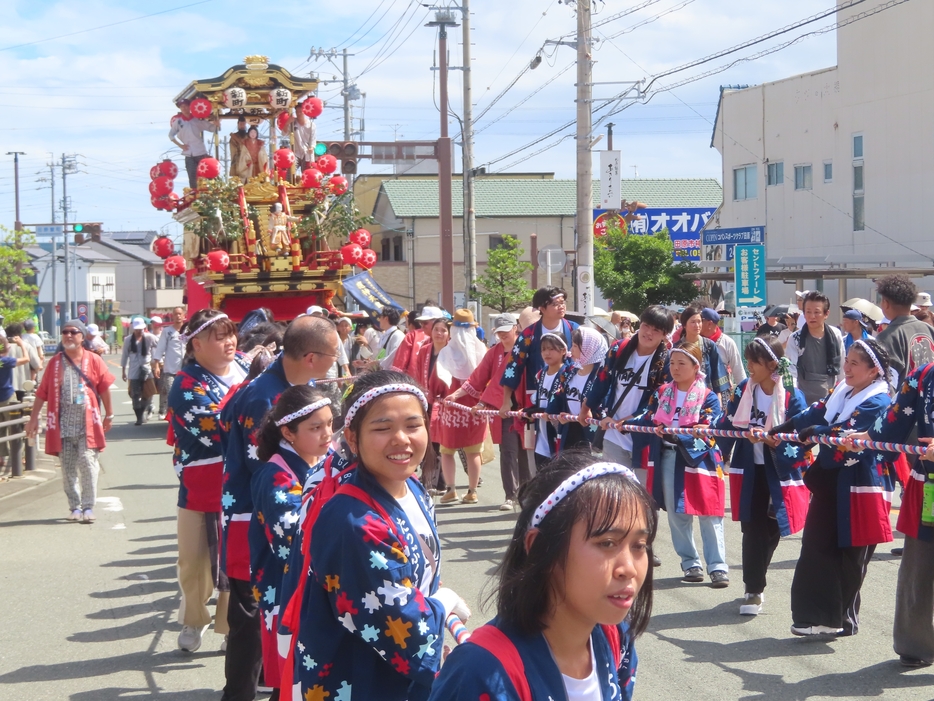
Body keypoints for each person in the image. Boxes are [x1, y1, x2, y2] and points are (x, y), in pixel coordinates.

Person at [285, 370, 470, 701]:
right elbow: (401, 628)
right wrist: (442, 605)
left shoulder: (412, 487)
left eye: (413, 425)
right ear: (353, 439)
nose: (401, 438)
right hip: (361, 680)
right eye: (383, 428)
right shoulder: (354, 522)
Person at [427, 450, 654, 701]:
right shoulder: (482, 672)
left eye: (639, 545)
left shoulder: (615, 635)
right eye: (607, 543)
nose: (630, 569)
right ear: (540, 547)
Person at [219, 315, 340, 701]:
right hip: (257, 519)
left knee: (266, 634)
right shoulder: (266, 398)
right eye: (332, 355)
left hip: (264, 518)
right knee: (251, 624)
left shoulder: (285, 387)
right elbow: (266, 475)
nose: (335, 362)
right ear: (310, 356)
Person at [769, 338, 895, 637]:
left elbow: (849, 432)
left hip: (860, 483)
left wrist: (819, 433)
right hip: (831, 479)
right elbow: (815, 414)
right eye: (846, 360)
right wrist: (781, 430)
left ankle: (840, 617)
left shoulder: (879, 400)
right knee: (817, 543)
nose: (846, 367)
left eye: (854, 363)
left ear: (873, 371)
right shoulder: (842, 391)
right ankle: (817, 617)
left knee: (851, 553)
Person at [167, 310, 248, 654]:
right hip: (202, 482)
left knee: (237, 559)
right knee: (194, 558)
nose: (229, 341)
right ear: (196, 344)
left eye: (231, 333)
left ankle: (232, 625)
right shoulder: (186, 385)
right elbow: (215, 430)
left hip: (242, 482)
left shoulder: (247, 368)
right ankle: (193, 617)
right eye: (219, 336)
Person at [715, 337, 811, 616]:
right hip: (749, 468)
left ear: (772, 365)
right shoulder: (745, 388)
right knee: (752, 528)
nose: (749, 367)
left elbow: (802, 436)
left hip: (778, 471)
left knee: (771, 529)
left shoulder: (792, 394)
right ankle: (753, 589)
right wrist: (712, 444)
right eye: (747, 361)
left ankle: (756, 576)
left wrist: (777, 442)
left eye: (753, 362)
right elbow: (726, 422)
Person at [250, 385, 333, 699]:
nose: (327, 434)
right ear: (288, 432)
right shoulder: (276, 477)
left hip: (304, 589)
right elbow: (293, 541)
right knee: (292, 683)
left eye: (329, 424)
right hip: (287, 593)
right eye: (315, 428)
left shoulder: (317, 460)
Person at [849, 362, 934, 665]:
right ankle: (915, 643)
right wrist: (866, 436)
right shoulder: (924, 375)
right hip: (930, 485)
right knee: (919, 567)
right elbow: (896, 415)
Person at [628, 340, 729, 587]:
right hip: (668, 456)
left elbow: (710, 425)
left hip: (700, 459)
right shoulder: (662, 392)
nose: (675, 368)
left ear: (696, 367)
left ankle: (717, 567)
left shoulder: (708, 396)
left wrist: (676, 433)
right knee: (676, 512)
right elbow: (647, 416)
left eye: (681, 363)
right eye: (672, 363)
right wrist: (626, 421)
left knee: (708, 512)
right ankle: (690, 563)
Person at [25, 320, 114, 522]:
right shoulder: (55, 362)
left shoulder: (93, 360)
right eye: (65, 332)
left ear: (82, 337)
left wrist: (109, 414)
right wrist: (33, 419)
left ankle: (88, 506)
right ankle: (74, 507)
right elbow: (42, 392)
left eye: (74, 332)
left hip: (87, 424)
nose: (69, 335)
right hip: (62, 425)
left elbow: (104, 387)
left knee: (87, 463)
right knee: (67, 467)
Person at [447, 313, 530, 511]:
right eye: (499, 332)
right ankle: (511, 495)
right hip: (504, 411)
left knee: (527, 453)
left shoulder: (526, 349)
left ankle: (527, 494)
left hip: (526, 409)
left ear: (515, 328)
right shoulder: (494, 353)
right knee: (508, 452)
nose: (502, 335)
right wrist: (457, 395)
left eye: (505, 331)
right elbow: (478, 377)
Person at [580, 305, 672, 469]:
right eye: (646, 325)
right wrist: (587, 406)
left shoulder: (667, 361)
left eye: (656, 330)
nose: (648, 332)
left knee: (640, 491)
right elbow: (602, 379)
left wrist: (630, 419)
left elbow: (660, 400)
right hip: (613, 432)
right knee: (614, 486)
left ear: (665, 335)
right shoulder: (619, 348)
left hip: (645, 436)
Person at [435, 309, 489, 505]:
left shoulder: (447, 352)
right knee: (474, 451)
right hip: (477, 405)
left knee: (447, 449)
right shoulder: (482, 350)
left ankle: (451, 489)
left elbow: (439, 380)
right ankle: (472, 491)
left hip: (451, 405)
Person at [500, 286, 578, 415]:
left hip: (569, 394)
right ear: (541, 308)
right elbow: (513, 366)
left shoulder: (573, 329)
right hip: (538, 395)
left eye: (562, 303)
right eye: (555, 304)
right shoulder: (528, 334)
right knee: (540, 433)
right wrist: (506, 402)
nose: (561, 306)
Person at [551, 326, 608, 452]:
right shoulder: (570, 371)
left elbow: (603, 405)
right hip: (569, 432)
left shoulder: (602, 375)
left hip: (591, 434)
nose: (571, 350)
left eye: (576, 346)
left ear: (589, 347)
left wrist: (584, 415)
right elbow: (558, 395)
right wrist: (556, 413)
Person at [786, 290, 844, 405]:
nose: (812, 316)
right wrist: (795, 398)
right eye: (808, 312)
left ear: (826, 314)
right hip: (803, 401)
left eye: (817, 312)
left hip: (830, 400)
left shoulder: (835, 334)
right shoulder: (795, 338)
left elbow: (842, 369)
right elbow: (790, 372)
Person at [416, 317, 453, 495]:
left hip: (447, 402)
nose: (439, 333)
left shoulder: (453, 351)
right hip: (427, 400)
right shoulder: (424, 351)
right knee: (428, 441)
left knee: (443, 442)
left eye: (443, 330)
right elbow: (417, 374)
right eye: (436, 329)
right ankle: (429, 481)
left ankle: (442, 482)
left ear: (449, 334)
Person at [875, 274, 934, 386]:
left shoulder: (886, 337)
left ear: (886, 303)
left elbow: (888, 381)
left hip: (905, 400)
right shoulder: (930, 330)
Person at [526, 333, 574, 470]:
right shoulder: (541, 374)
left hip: (557, 433)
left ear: (563, 350)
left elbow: (562, 404)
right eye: (543, 349)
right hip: (541, 433)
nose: (546, 353)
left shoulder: (568, 373)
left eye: (551, 349)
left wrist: (541, 410)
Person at [675, 305, 730, 397]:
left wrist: (718, 397)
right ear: (684, 325)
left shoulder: (709, 345)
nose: (697, 325)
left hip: (705, 394)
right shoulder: (677, 347)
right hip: (682, 394)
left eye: (699, 321)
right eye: (693, 322)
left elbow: (717, 372)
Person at [0, 331, 34, 471]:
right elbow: (26, 359)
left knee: (1, 430)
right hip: (8, 397)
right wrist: (21, 345)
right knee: (16, 428)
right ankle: (21, 458)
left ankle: (1, 457)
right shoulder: (5, 361)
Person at [168, 98, 220, 189]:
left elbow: (212, 129)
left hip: (200, 152)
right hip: (188, 153)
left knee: (206, 176)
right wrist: (181, 145)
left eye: (185, 106)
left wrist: (217, 124)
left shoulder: (197, 120)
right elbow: (171, 135)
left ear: (189, 107)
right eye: (181, 107)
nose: (184, 108)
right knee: (192, 178)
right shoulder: (178, 122)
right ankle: (195, 198)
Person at [121, 317, 158, 425]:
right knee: (135, 395)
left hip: (147, 369)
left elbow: (160, 346)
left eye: (140, 329)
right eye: (136, 329)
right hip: (133, 371)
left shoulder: (150, 337)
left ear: (144, 328)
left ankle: (143, 411)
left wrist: (157, 362)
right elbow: (124, 356)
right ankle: (139, 417)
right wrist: (123, 371)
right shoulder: (128, 340)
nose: (138, 331)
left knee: (148, 393)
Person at [700, 307, 746, 391]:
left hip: (722, 391)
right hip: (699, 392)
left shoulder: (727, 342)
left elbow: (738, 370)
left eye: (700, 321)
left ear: (709, 324)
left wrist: (744, 393)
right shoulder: (695, 340)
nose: (697, 324)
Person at [153, 306, 187, 420]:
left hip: (186, 370)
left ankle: (182, 417)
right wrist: (156, 365)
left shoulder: (188, 331)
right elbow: (160, 349)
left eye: (180, 314)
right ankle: (172, 417)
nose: (178, 316)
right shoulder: (167, 332)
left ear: (184, 316)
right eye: (176, 314)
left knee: (185, 395)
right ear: (173, 316)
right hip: (170, 370)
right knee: (171, 393)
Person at [392, 309, 430, 378]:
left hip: (413, 380)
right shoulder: (440, 336)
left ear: (411, 324)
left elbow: (400, 362)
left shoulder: (411, 335)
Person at [291, 106, 317, 171]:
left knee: (307, 173)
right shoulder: (292, 123)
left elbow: (313, 138)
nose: (299, 113)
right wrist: (287, 122)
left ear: (304, 112)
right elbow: (284, 133)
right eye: (297, 112)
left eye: (300, 112)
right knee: (291, 171)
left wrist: (312, 147)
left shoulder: (311, 125)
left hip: (307, 152)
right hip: (295, 152)